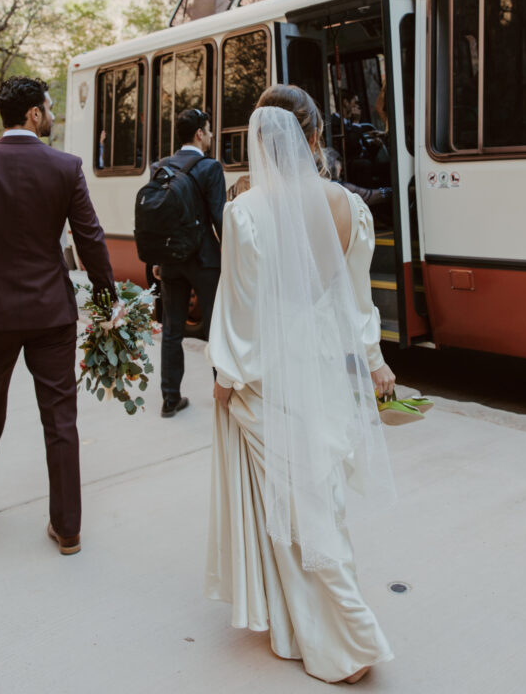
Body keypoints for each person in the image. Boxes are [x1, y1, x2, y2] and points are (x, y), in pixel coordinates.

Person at [206, 84, 397, 684]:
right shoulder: (351, 208)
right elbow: (358, 302)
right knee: (319, 498)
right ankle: (300, 630)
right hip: (322, 367)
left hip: (268, 374)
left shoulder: (245, 212)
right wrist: (374, 361)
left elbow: (240, 309)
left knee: (294, 506)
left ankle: (348, 637)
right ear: (315, 136)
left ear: (262, 143)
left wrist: (227, 375)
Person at [0, 76, 118, 555]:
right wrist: (105, 302)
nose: (52, 114)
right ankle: (67, 527)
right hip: (52, 314)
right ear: (33, 114)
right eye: (49, 107)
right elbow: (89, 238)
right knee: (61, 419)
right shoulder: (65, 167)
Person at [151, 108, 226, 418]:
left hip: (170, 259)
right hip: (205, 259)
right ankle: (223, 395)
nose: (210, 136)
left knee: (171, 329)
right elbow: (220, 217)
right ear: (199, 134)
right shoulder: (210, 168)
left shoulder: (160, 166)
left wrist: (157, 258)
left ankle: (170, 399)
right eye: (208, 130)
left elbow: (156, 217)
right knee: (215, 330)